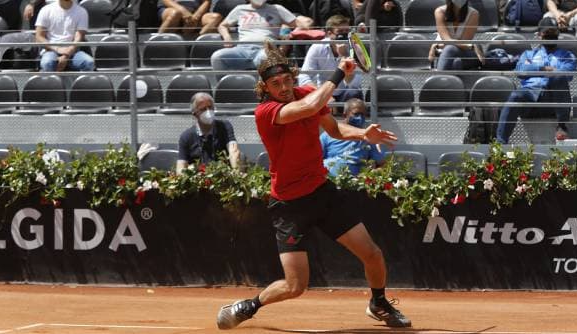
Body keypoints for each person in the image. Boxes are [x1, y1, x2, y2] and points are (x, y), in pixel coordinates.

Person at [216, 41, 410, 330]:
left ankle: (378, 303)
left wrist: (362, 134)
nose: (282, 87)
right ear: (265, 88)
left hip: (322, 194)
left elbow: (334, 129)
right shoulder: (266, 113)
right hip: (289, 205)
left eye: (286, 80)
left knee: (372, 253)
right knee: (296, 285)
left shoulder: (307, 93)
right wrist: (339, 73)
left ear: (293, 78)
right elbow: (310, 106)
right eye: (275, 83)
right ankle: (250, 305)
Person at [496, 17, 577, 144]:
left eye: (554, 33)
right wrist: (544, 68)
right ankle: (500, 144)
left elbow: (568, 74)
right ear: (539, 35)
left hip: (552, 102)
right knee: (515, 95)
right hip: (530, 99)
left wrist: (533, 69)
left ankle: (562, 126)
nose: (551, 36)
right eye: (547, 33)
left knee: (559, 78)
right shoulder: (528, 54)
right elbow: (520, 71)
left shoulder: (567, 55)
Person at [211, 0, 309, 71]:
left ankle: (263, 91)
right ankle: (226, 88)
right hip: (241, 50)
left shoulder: (277, 9)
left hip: (265, 50)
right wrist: (227, 37)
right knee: (217, 57)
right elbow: (222, 26)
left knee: (266, 58)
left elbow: (300, 25)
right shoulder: (240, 9)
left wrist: (287, 37)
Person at [298, 14, 363, 107]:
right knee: (308, 95)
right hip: (323, 92)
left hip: (345, 93)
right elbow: (304, 76)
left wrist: (344, 57)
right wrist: (321, 94)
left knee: (353, 93)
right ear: (329, 33)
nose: (344, 35)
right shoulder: (317, 47)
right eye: (340, 32)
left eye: (347, 31)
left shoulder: (355, 47)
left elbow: (354, 84)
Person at [176, 92, 241, 174]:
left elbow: (234, 151)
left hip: (223, 177)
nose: (208, 111)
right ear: (195, 114)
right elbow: (180, 167)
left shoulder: (224, 126)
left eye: (210, 107)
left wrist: (236, 173)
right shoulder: (186, 137)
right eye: (203, 109)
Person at [321, 98, 385, 176]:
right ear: (345, 114)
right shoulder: (328, 135)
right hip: (331, 181)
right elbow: (314, 160)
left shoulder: (368, 137)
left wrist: (373, 173)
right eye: (356, 114)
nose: (360, 118)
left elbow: (381, 164)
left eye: (363, 115)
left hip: (357, 183)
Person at [35, 0, 94, 72]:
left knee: (89, 63)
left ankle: (80, 83)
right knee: (47, 63)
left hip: (73, 52)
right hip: (51, 50)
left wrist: (66, 55)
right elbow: (39, 37)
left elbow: (79, 37)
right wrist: (57, 49)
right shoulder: (46, 10)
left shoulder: (81, 12)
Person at [429, 0, 484, 70]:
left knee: (450, 49)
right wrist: (471, 46)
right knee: (456, 62)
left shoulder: (474, 14)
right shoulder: (439, 12)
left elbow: (464, 43)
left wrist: (437, 45)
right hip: (445, 53)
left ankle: (439, 78)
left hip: (465, 52)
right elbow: (447, 39)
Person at [544, 0, 577, 71]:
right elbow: (550, 2)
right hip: (561, 14)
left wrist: (569, 15)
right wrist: (558, 16)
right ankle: (548, 57)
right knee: (547, 17)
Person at [157, 0, 223, 39]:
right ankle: (158, 43)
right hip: (171, 9)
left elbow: (206, 1)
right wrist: (183, 11)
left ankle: (195, 44)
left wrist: (196, 17)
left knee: (216, 18)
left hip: (194, 12)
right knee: (175, 14)